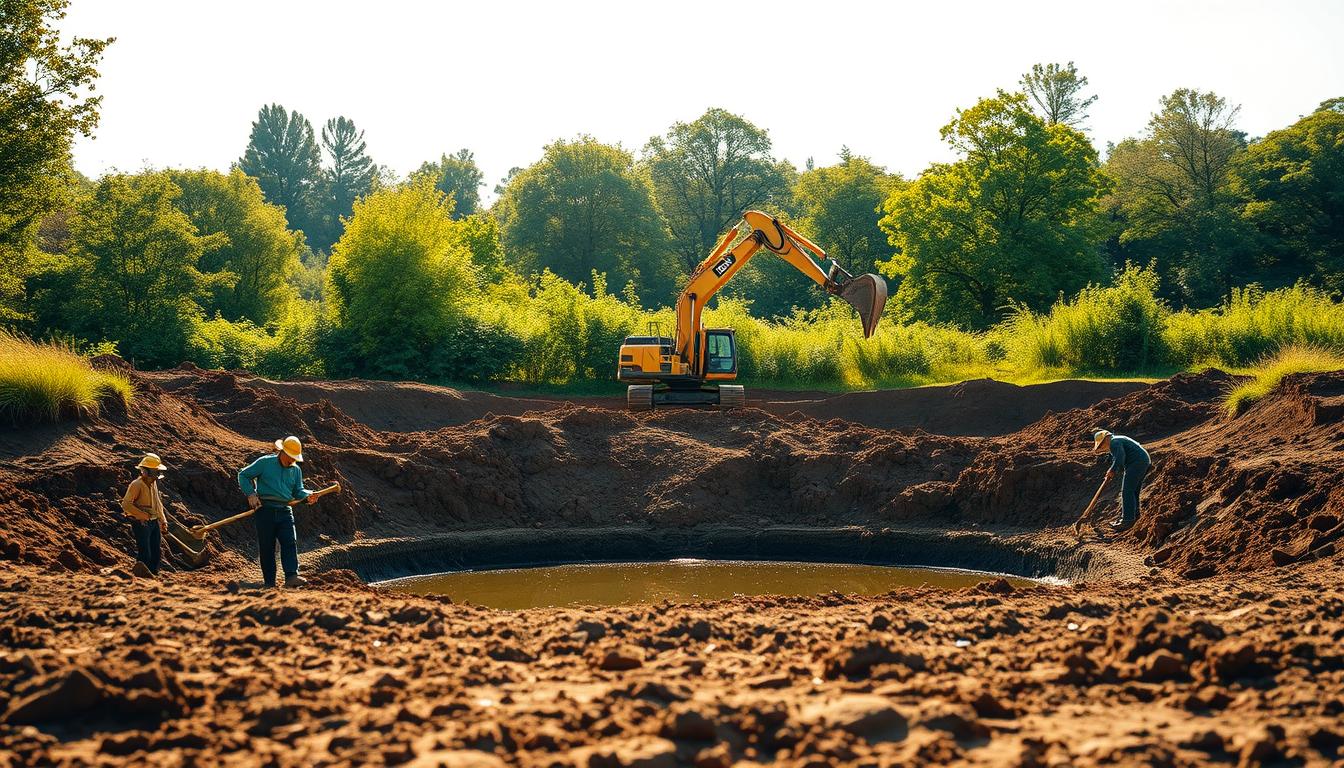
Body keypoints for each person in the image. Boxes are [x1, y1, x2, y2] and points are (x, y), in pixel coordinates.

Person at [237, 436, 318, 588]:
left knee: (289, 542)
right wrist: (251, 494)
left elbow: (298, 491)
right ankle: (269, 583)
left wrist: (308, 495)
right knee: (267, 547)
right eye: (291, 457)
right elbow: (243, 475)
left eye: (295, 457)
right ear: (283, 452)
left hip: (285, 511)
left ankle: (291, 577)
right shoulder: (265, 463)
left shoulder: (296, 470)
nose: (293, 460)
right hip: (265, 510)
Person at [120, 453, 170, 577]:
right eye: (155, 471)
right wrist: (142, 515)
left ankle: (152, 575)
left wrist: (163, 520)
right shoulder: (136, 485)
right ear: (146, 471)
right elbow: (126, 504)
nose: (157, 474)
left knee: (156, 551)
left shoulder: (153, 484)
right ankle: (140, 576)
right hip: (141, 522)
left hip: (153, 522)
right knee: (145, 552)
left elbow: (157, 503)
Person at [1093, 430, 1151, 529]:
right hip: (1144, 462)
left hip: (1136, 464)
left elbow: (1120, 458)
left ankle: (1127, 520)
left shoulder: (1114, 442)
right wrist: (1111, 470)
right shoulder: (1118, 440)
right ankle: (1135, 515)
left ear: (1106, 438)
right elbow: (1117, 459)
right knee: (1133, 491)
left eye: (1101, 445)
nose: (1102, 448)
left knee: (1127, 491)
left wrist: (1112, 470)